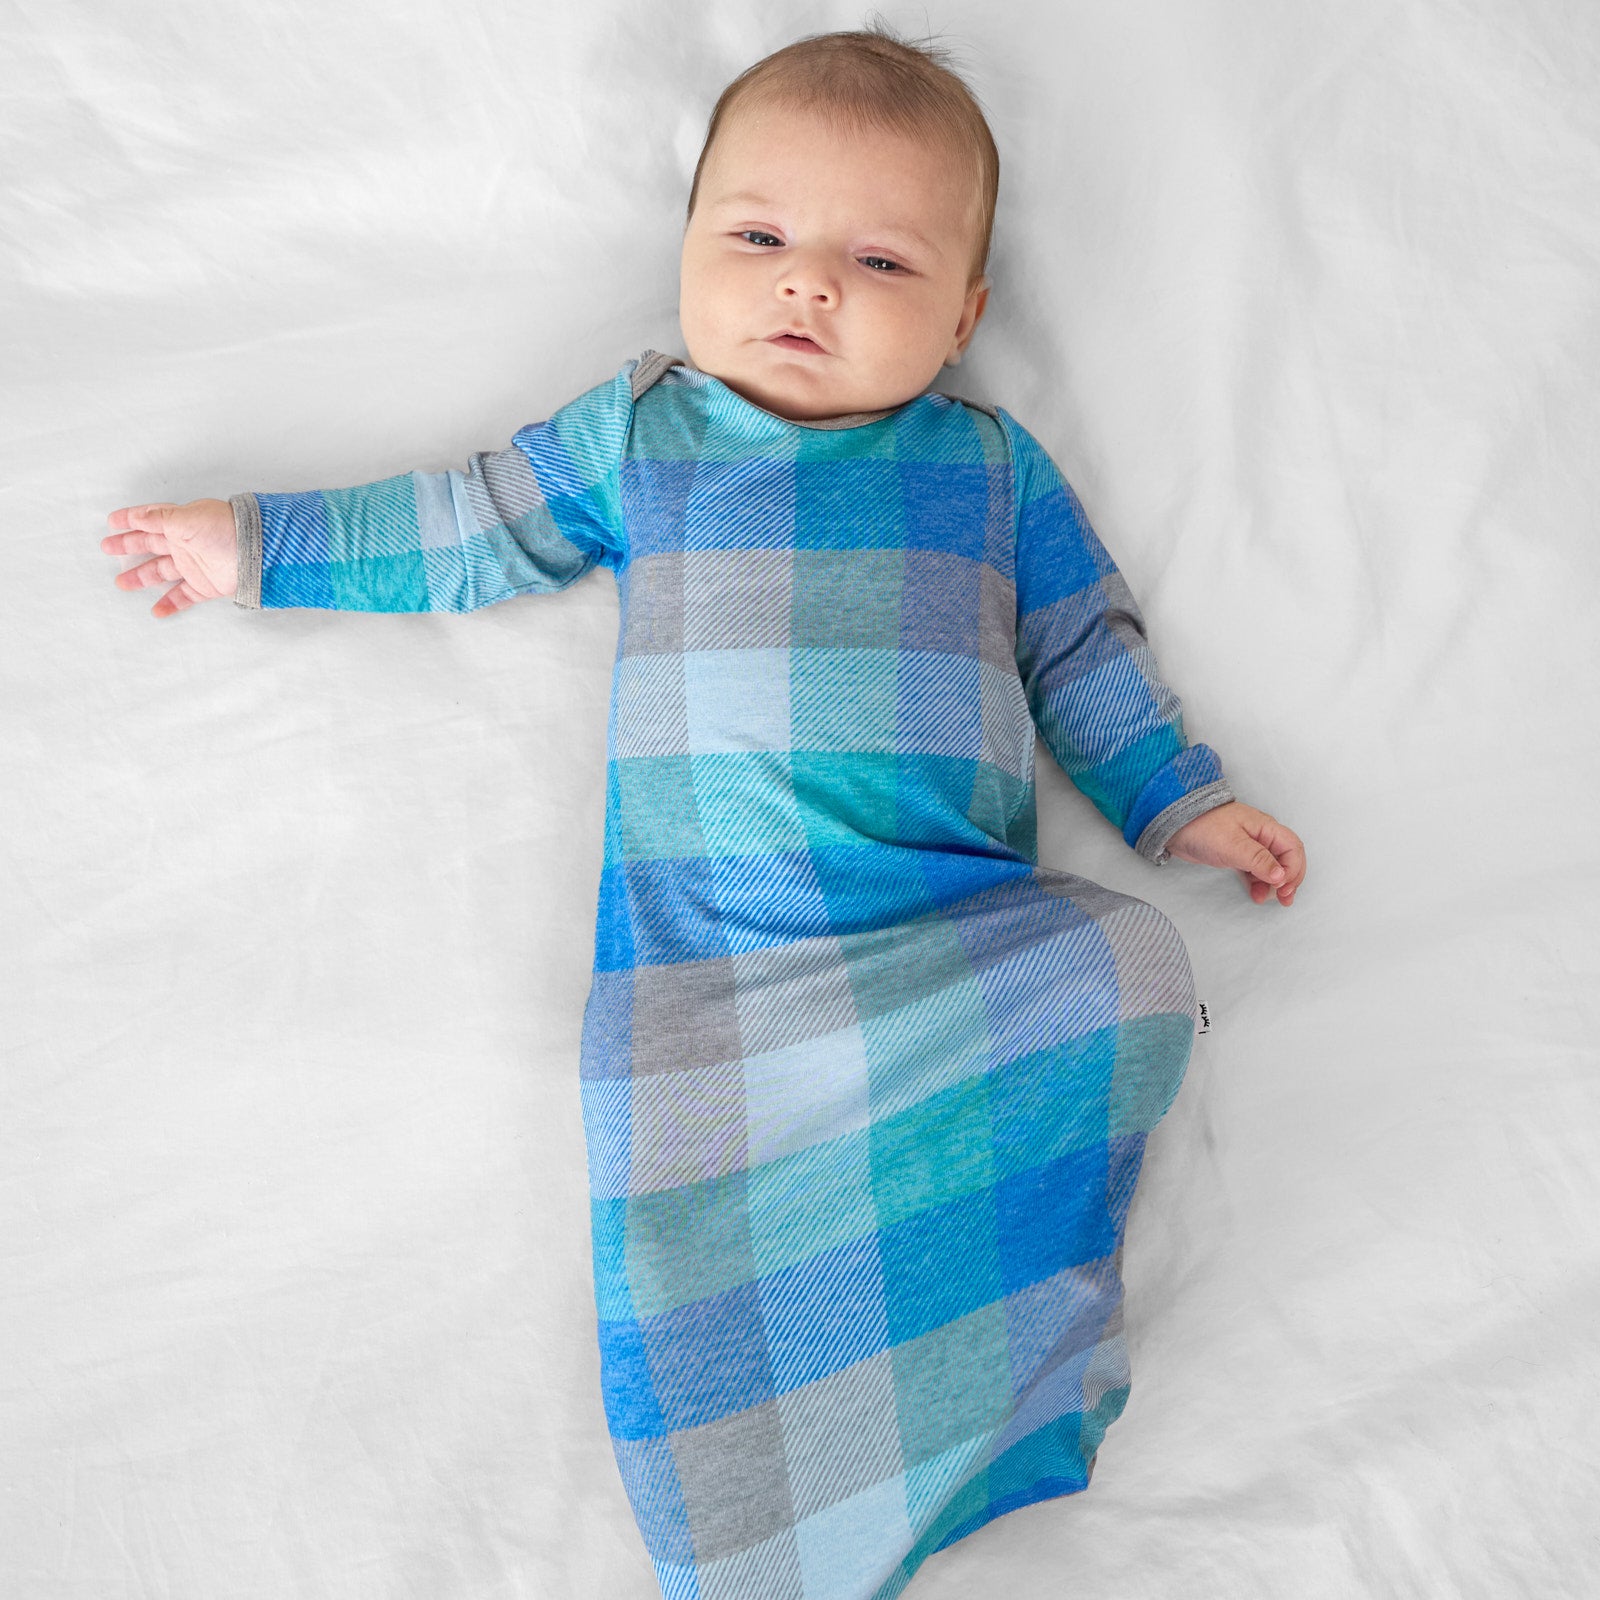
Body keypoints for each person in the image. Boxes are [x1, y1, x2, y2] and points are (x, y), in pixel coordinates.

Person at [101, 24, 1306, 1600]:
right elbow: (467, 525)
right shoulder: (648, 433)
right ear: (684, 252)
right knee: (712, 1261)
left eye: (878, 259)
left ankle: (985, 1383)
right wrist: (255, 546)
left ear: (966, 315)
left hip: (937, 943)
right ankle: (785, 1528)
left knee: (1127, 967)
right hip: (720, 976)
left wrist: (1179, 801)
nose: (806, 284)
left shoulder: (991, 469)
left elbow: (1082, 649)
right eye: (756, 238)